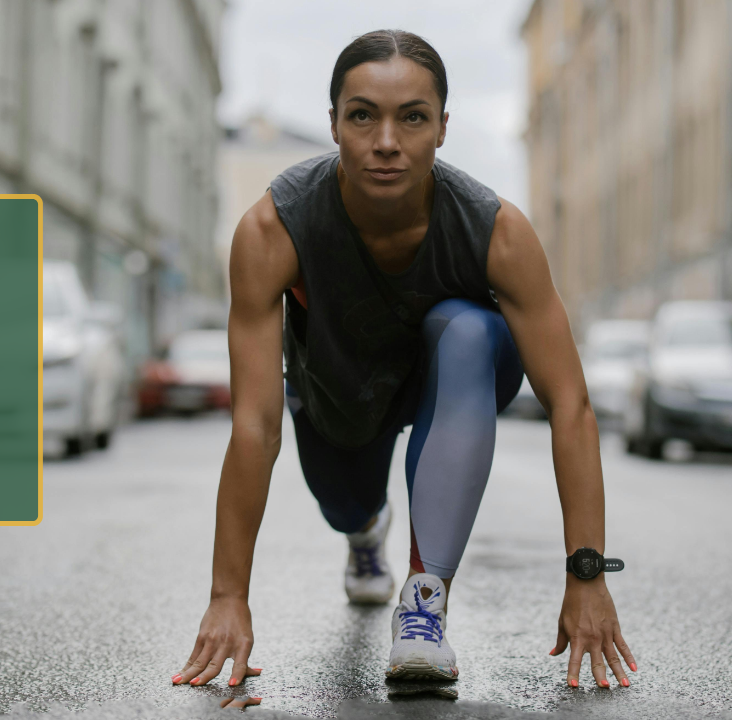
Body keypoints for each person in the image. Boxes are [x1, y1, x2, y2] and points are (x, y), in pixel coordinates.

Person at [170, 30, 635, 699]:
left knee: (470, 327)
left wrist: (587, 575)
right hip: (337, 395)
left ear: (442, 129)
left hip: (450, 384)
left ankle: (424, 605)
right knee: (345, 505)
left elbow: (570, 404)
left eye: (411, 117)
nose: (386, 141)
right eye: (363, 115)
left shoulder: (496, 230)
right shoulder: (274, 230)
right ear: (333, 124)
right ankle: (366, 531)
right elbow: (253, 425)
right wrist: (227, 596)